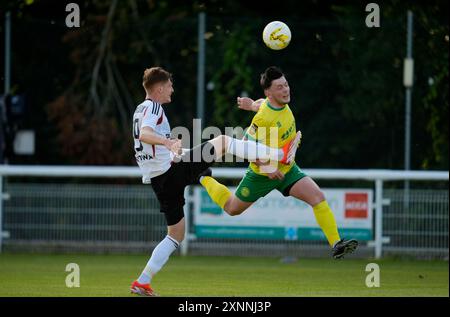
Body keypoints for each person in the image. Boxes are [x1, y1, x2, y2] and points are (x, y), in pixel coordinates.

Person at [130, 67, 300, 296]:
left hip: (159, 180)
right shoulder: (153, 106)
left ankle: (142, 282)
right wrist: (168, 143)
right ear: (159, 88)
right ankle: (280, 154)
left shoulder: (140, 109)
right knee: (223, 142)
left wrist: (174, 148)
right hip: (170, 173)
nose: (172, 89)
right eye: (169, 85)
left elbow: (149, 145)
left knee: (175, 235)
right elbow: (145, 135)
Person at [199, 66, 358, 260]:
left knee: (318, 197)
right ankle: (204, 178)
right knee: (232, 209)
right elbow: (246, 148)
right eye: (280, 87)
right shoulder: (263, 118)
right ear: (269, 92)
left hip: (288, 170)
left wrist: (251, 105)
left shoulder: (276, 104)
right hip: (261, 174)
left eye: (286, 84)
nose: (286, 90)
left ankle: (336, 244)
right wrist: (268, 167)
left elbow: (262, 104)